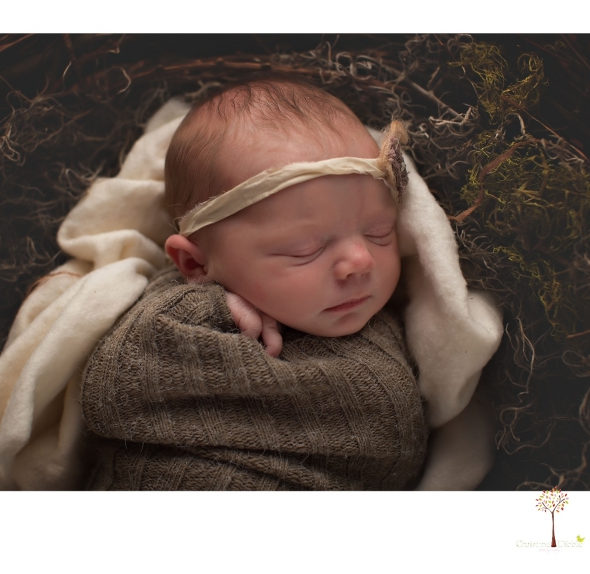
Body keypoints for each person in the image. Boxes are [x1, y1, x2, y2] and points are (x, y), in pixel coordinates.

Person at [80, 74, 493, 490]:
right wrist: (208, 307)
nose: (360, 261)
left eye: (380, 232)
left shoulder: (396, 314)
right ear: (195, 264)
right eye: (304, 249)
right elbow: (113, 388)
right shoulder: (178, 316)